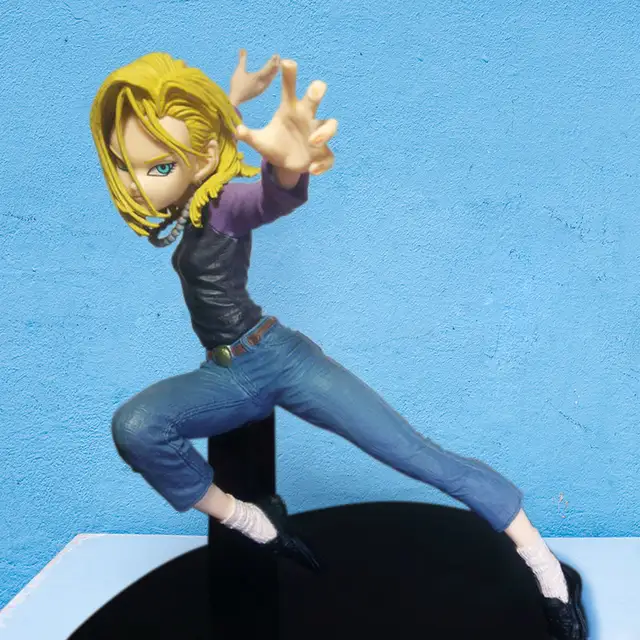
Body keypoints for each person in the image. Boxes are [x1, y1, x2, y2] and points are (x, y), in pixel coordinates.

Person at [89, 50, 587, 639]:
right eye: (127, 166)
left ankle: (545, 570)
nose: (135, 184)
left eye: (156, 167)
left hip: (278, 358)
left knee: (412, 453)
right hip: (224, 376)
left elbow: (266, 200)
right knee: (137, 426)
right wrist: (227, 103)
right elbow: (205, 144)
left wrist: (286, 170)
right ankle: (253, 524)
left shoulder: (222, 207)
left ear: (200, 158)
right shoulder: (198, 206)